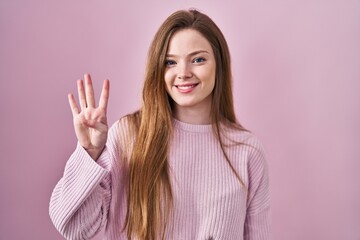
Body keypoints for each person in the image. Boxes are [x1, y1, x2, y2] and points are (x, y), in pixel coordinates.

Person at [49, 9, 271, 240]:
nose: (183, 73)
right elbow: (76, 228)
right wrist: (89, 153)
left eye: (198, 59)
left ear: (219, 64)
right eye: (170, 62)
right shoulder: (129, 136)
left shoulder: (248, 151)